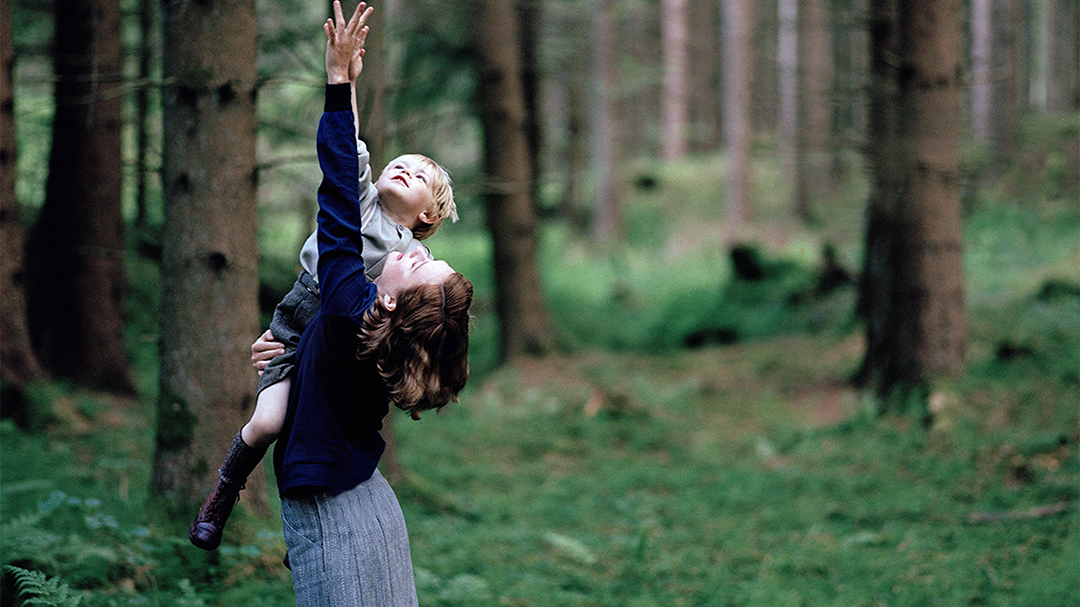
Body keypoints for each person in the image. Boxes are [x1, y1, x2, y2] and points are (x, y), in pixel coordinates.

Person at [189, 0, 461, 553]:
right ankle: (224, 490)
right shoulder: (358, 199)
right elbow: (344, 150)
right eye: (398, 162)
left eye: (417, 176)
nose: (400, 168)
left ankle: (313, 531)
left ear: (428, 215)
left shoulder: (411, 261)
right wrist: (345, 80)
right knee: (267, 422)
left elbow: (413, 320)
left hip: (343, 346)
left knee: (301, 421)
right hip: (299, 314)